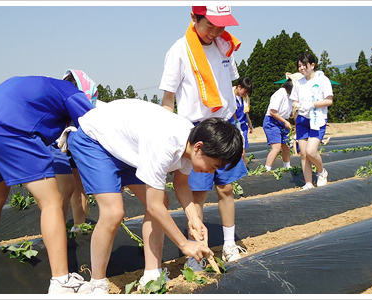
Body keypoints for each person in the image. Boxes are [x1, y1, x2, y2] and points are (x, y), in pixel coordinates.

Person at [66, 99, 243, 294]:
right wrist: (184, 244)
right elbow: (153, 206)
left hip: (125, 147)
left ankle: (152, 273)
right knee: (113, 212)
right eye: (214, 166)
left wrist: (194, 219)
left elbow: (181, 184)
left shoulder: (189, 144)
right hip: (95, 140)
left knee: (163, 201)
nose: (211, 172)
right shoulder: (165, 142)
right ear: (199, 147)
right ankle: (97, 283)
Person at [0, 75, 94, 294]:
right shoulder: (70, 92)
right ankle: (62, 282)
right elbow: (93, 126)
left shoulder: (40, 85)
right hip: (11, 128)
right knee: (52, 201)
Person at [159, 6, 248, 268]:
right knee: (196, 195)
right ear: (193, 18)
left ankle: (229, 244)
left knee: (227, 188)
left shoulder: (224, 46)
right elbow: (168, 100)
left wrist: (238, 134)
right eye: (210, 25)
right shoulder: (179, 51)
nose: (216, 32)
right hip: (197, 131)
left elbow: (229, 91)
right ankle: (196, 255)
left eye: (221, 26)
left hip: (226, 127)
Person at [50, 69, 98, 230]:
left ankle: (79, 226)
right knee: (65, 188)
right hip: (59, 144)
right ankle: (59, 229)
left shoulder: (85, 101)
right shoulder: (61, 98)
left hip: (77, 142)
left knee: (79, 187)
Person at [290, 52, 333, 191]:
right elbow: (295, 100)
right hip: (302, 119)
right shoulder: (299, 83)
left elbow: (329, 101)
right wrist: (295, 106)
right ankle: (308, 182)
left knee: (311, 152)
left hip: (317, 119)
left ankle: (321, 172)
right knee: (303, 153)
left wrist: (313, 104)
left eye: (304, 65)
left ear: (312, 65)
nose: (302, 68)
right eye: (299, 66)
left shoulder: (322, 80)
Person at [263, 78, 294, 171]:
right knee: (276, 147)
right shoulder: (281, 93)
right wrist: (285, 122)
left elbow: (290, 112)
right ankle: (267, 169)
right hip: (272, 121)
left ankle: (287, 166)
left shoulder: (291, 96)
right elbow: (273, 111)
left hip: (283, 121)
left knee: (286, 146)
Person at [232, 77, 254, 165]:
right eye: (245, 91)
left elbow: (246, 112)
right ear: (239, 87)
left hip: (243, 126)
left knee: (243, 151)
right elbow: (232, 111)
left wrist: (250, 124)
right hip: (233, 125)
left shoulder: (244, 98)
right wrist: (236, 123)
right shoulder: (231, 96)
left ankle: (243, 170)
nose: (245, 94)